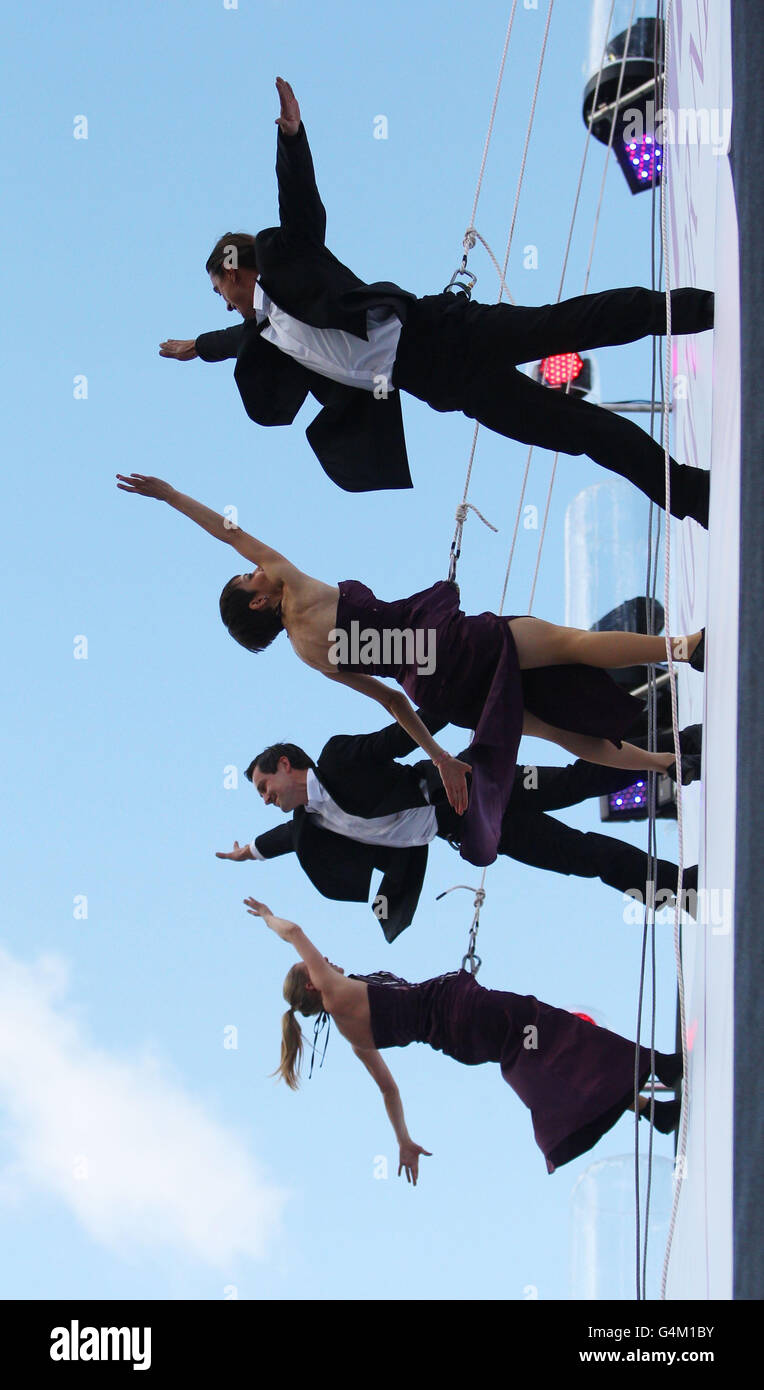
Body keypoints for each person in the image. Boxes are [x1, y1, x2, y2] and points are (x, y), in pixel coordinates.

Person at [160, 77, 713, 523]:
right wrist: (199, 347)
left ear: (235, 269)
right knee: (578, 432)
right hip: (439, 382)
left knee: (573, 324)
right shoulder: (265, 338)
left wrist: (292, 138)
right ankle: (690, 493)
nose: (223, 302)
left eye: (219, 288)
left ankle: (695, 311)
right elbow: (237, 340)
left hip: (440, 330)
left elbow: (301, 209)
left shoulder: (283, 257)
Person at [117, 471, 705, 866]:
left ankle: (668, 765)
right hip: (449, 645)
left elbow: (393, 704)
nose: (254, 571)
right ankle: (680, 648)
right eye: (247, 578)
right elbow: (229, 532)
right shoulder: (293, 585)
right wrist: (170, 496)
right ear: (257, 601)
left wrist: (442, 756)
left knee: (557, 733)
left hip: (437, 688)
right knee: (570, 644)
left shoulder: (306, 650)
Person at [245, 897, 683, 1181]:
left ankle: (652, 1112)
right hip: (465, 1013)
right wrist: (268, 918)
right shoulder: (336, 993)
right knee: (557, 1031)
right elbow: (296, 933)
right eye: (319, 963)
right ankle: (659, 1068)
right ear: (311, 986)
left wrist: (403, 1139)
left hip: (463, 1043)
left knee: (547, 1051)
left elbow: (388, 1088)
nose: (328, 960)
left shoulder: (350, 1032)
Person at [215, 719, 702, 940]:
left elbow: (396, 738)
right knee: (580, 856)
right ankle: (679, 891)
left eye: (263, 785)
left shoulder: (338, 757)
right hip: (468, 828)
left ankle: (679, 751)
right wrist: (251, 852)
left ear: (284, 764)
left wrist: (446, 700)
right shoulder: (309, 826)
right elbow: (283, 840)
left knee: (576, 782)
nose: (265, 797)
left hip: (468, 784)